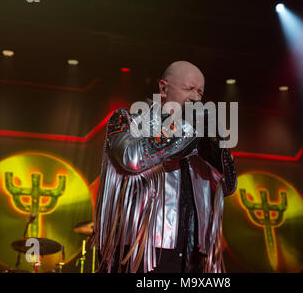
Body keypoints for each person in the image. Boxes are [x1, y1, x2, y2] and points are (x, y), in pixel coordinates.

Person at [92, 61, 237, 273]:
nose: (196, 98)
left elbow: (229, 186)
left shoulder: (199, 135)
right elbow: (131, 159)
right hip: (143, 250)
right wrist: (183, 128)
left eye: (200, 92)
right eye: (188, 89)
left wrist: (216, 147)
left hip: (194, 251)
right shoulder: (128, 119)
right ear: (163, 88)